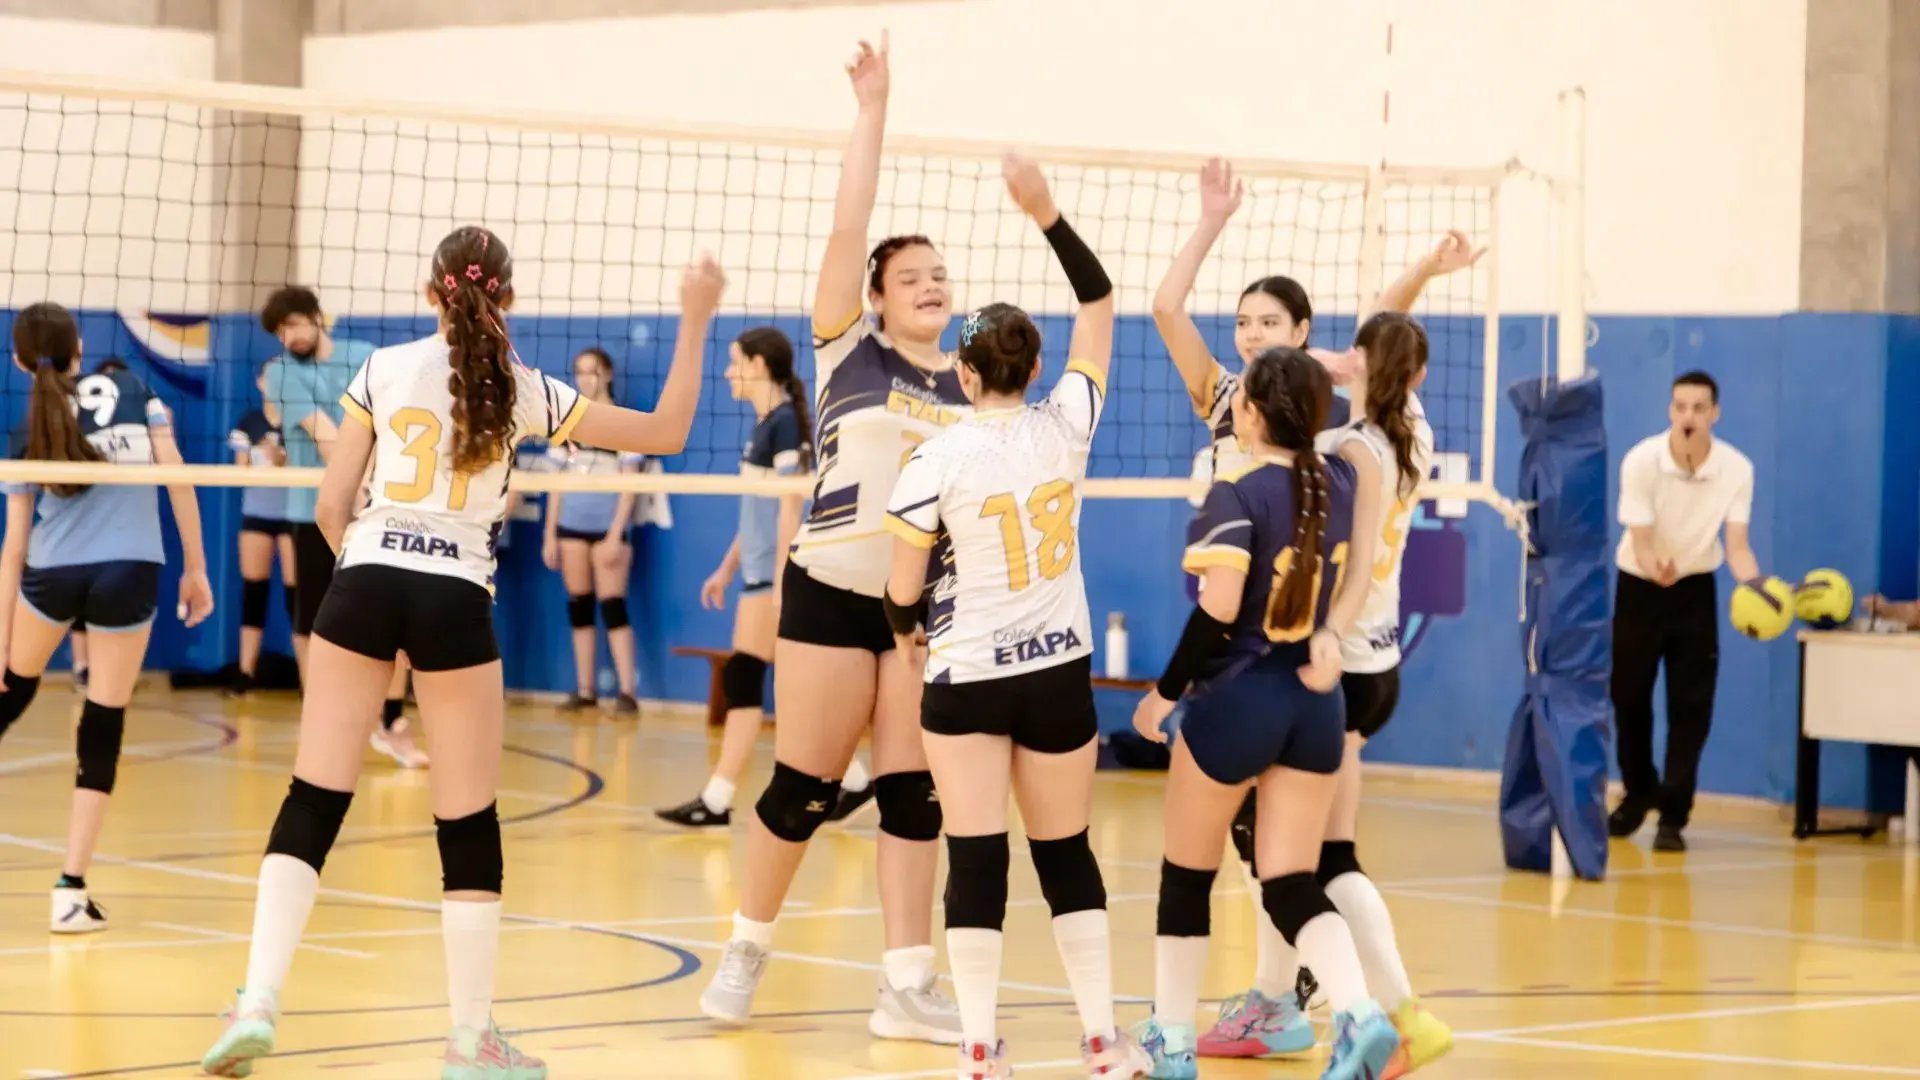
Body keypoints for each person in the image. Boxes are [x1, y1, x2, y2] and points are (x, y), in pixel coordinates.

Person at [199, 226, 722, 1079]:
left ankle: (256, 1000)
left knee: (313, 797)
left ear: (428, 288)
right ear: (506, 298)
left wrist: (369, 612)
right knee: (466, 820)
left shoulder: (380, 369)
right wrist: (695, 320)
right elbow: (665, 429)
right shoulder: (525, 389)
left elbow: (333, 506)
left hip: (363, 578)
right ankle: (469, 1041)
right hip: (454, 595)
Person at [1151, 156, 1482, 1057]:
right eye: (1245, 322)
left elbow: (1380, 338)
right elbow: (1168, 314)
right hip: (1326, 661)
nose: (1253, 336)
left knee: (1279, 856)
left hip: (1282, 658)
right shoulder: (1278, 414)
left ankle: (1312, 1007)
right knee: (1290, 856)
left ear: (1308, 335)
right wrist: (1210, 221)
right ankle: (1314, 1005)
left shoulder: (1328, 439)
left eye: (1271, 324)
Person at [698, 32, 967, 1044]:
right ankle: (746, 948)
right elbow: (852, 219)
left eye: (943, 275)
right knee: (805, 784)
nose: (933, 286)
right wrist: (873, 110)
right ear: (877, 298)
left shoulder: (969, 385)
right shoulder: (848, 349)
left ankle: (907, 984)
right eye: (913, 278)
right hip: (826, 591)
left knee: (910, 793)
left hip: (915, 612)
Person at [880, 155, 1146, 1078]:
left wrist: (905, 632)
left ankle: (980, 1047)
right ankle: (1101, 1041)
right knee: (1066, 851)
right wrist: (1046, 213)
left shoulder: (933, 460)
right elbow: (1102, 305)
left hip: (966, 676)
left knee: (978, 855)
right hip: (1057, 671)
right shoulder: (1067, 420)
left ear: (960, 372)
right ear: (1036, 367)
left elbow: (904, 586)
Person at [1127, 347, 1393, 1080]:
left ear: (1246, 412)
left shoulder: (1234, 490)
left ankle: (1173, 1041)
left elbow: (1216, 614)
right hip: (1314, 703)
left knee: (1187, 873)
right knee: (1288, 880)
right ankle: (1360, 1014)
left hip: (1237, 698)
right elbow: (1370, 433)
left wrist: (1164, 694)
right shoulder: (1341, 477)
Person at [0, 302, 214, 933]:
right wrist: (195, 568)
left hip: (50, 573)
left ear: (18, 360)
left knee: (12, 692)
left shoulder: (24, 427)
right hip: (129, 571)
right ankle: (70, 891)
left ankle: (72, 890)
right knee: (103, 719)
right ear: (81, 347)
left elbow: (13, 549)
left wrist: (1, 639)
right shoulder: (132, 388)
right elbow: (178, 477)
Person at [1304, 311, 1453, 1075]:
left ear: (1358, 360)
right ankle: (1308, 995)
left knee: (1321, 858)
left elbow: (1347, 561)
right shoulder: (1413, 436)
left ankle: (1393, 1016)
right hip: (1381, 664)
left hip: (1344, 657)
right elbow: (1393, 345)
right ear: (1419, 377)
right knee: (1303, 851)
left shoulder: (1342, 449)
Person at [657, 327, 875, 827]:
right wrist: (725, 569)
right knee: (789, 688)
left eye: (736, 362)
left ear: (759, 365)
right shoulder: (765, 424)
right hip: (759, 574)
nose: (729, 372)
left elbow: (789, 506)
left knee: (745, 677)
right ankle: (856, 781)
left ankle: (716, 799)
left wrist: (780, 579)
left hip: (776, 576)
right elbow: (757, 512)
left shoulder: (783, 424)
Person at [1608, 370, 1760, 853]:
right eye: (1680, 407)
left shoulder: (1736, 468)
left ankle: (1673, 815)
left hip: (1695, 589)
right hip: (1641, 583)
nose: (1688, 416)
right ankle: (1638, 791)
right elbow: (1642, 538)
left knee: (1690, 707)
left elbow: (1736, 546)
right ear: (1670, 411)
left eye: (1698, 408)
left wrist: (1759, 588)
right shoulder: (1642, 461)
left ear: (1715, 414)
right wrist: (1656, 567)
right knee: (1628, 696)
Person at [259, 287, 376, 682]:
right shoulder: (281, 371)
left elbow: (383, 427)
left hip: (372, 508)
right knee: (312, 614)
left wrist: (370, 492)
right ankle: (315, 704)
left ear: (315, 315)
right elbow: (322, 433)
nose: (288, 337)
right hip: (314, 510)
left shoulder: (364, 357)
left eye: (292, 324)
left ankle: (386, 713)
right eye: (280, 332)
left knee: (372, 613)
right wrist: (357, 489)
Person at [540, 346, 645, 714]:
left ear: (608, 375)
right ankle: (586, 692)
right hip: (571, 526)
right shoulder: (568, 424)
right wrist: (549, 534)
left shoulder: (622, 422)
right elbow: (555, 484)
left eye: (593, 371)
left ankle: (627, 693)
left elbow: (631, 486)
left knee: (613, 607)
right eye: (580, 371)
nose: (586, 378)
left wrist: (617, 534)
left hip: (607, 531)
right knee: (579, 607)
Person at [227, 362, 295, 695]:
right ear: (259, 382)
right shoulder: (249, 422)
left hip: (294, 515)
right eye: (270, 375)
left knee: (298, 598)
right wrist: (262, 459)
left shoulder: (301, 421)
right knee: (254, 592)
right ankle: (245, 672)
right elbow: (240, 472)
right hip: (257, 513)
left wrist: (283, 458)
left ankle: (309, 681)